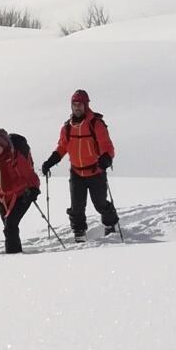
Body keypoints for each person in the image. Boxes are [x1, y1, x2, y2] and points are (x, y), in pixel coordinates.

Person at [41, 89, 120, 241]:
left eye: (80, 104)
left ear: (86, 105)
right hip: (76, 172)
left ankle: (110, 224)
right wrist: (50, 162)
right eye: (74, 104)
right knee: (76, 207)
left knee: (100, 204)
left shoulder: (96, 124)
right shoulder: (67, 127)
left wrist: (106, 159)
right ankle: (79, 233)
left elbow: (107, 146)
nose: (77, 107)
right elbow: (62, 147)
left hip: (96, 171)